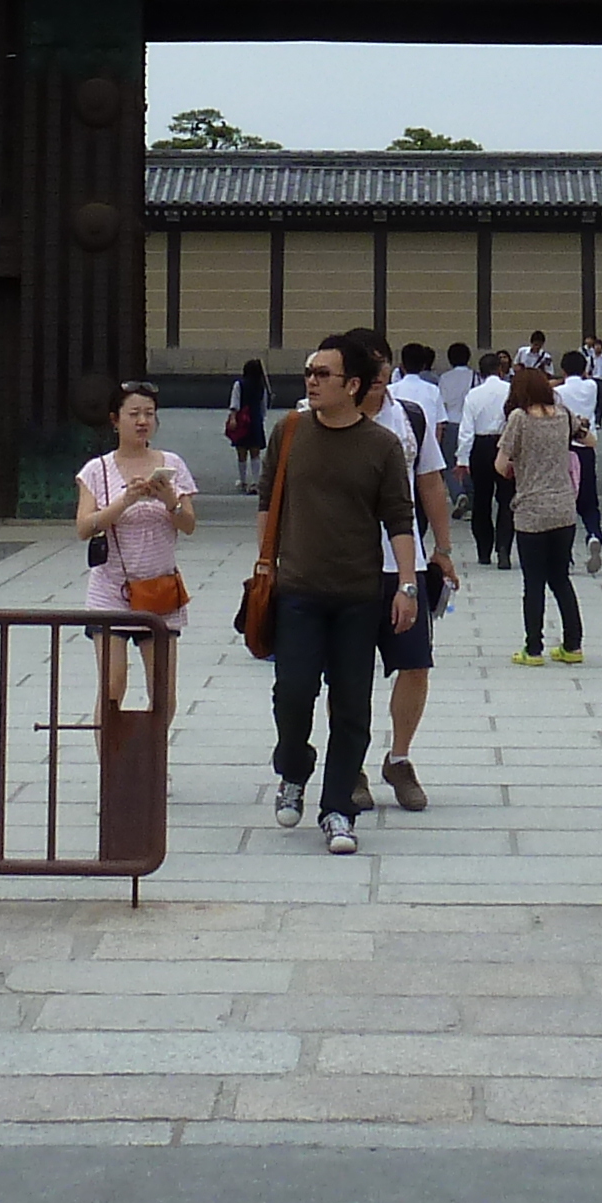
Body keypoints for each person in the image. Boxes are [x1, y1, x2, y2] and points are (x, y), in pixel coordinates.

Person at [251, 332, 422, 854]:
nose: (312, 381)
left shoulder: (382, 445)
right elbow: (266, 501)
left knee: (351, 707)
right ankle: (294, 770)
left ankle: (337, 809)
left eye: (323, 374)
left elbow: (400, 518)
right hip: (297, 590)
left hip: (358, 594)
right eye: (309, 371)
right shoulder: (290, 431)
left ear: (352, 385)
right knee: (293, 693)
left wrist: (408, 586)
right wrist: (265, 562)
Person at [357, 323, 460, 810]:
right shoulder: (318, 420)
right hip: (344, 563)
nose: (378, 373)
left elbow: (433, 484)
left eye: (382, 363)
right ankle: (349, 762)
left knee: (415, 663)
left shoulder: (409, 417)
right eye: (367, 364)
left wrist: (442, 547)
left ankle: (398, 757)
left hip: (405, 563)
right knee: (348, 669)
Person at [76, 377, 199, 693]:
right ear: (115, 420)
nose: (143, 421)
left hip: (159, 590)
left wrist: (168, 498)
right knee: (112, 688)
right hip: (110, 590)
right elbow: (84, 527)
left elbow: (188, 525)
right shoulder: (96, 470)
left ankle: (151, 745)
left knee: (163, 692)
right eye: (134, 414)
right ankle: (108, 745)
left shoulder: (171, 464)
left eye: (149, 413)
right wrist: (125, 501)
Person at [499, 365, 587, 664]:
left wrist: (516, 468)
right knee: (561, 578)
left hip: (531, 510)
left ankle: (533, 648)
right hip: (564, 508)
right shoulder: (563, 414)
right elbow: (587, 439)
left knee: (533, 582)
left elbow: (501, 462)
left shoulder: (519, 418)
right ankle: (572, 645)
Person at [459, 350, 516, 568]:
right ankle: (504, 549)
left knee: (482, 500)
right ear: (500, 370)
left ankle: (484, 550)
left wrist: (462, 458)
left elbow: (466, 430)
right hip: (505, 445)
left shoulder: (473, 395)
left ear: (480, 372)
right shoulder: (510, 390)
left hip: (480, 447)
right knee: (506, 500)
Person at [559, 355, 602, 573]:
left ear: (562, 369)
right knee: (589, 500)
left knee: (564, 501)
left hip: (564, 449)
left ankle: (565, 554)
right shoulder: (592, 387)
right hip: (586, 447)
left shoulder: (558, 393)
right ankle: (594, 534)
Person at [226, 356, 271, 491]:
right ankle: (256, 482)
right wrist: (261, 418)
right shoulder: (261, 386)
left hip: (242, 420)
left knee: (241, 451)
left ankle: (243, 480)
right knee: (255, 452)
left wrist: (233, 418)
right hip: (255, 419)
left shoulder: (239, 384)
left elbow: (235, 402)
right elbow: (263, 405)